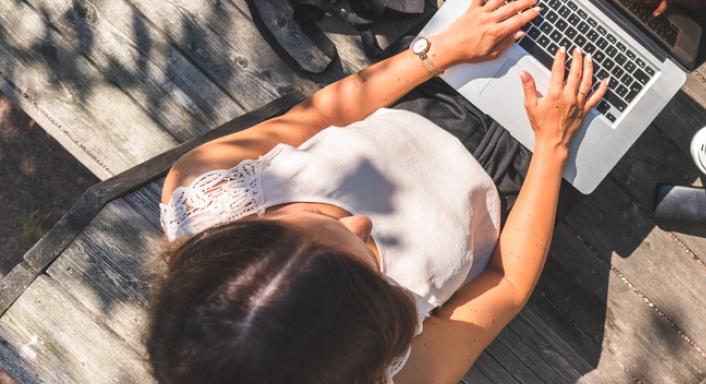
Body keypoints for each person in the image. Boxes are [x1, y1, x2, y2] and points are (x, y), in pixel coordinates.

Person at [143, 0, 604, 382]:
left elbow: (322, 114)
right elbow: (507, 284)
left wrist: (438, 51)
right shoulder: (401, 371)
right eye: (370, 260)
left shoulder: (203, 190)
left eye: (324, 221)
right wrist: (552, 147)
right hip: (518, 186)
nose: (361, 221)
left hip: (424, 92)